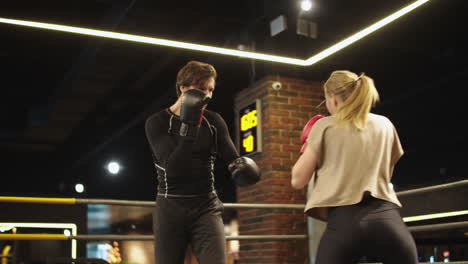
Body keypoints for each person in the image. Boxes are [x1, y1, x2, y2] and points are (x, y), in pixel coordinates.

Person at [291, 70, 418, 264]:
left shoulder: (324, 125)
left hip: (344, 224)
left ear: (333, 98)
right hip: (387, 221)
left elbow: (298, 180)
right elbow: (386, 175)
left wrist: (309, 144)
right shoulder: (385, 124)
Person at [145, 60, 260, 264]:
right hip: (170, 207)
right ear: (182, 88)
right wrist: (190, 126)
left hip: (206, 206)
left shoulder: (214, 121)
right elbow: (172, 168)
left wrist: (241, 168)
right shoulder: (157, 122)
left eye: (210, 89)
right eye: (200, 89)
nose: (207, 95)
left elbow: (232, 158)